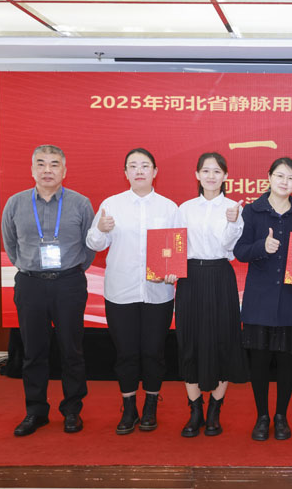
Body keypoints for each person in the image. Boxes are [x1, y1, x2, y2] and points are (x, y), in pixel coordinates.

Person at [1, 144, 95, 436]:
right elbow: (11, 245)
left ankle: (72, 410)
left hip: (68, 283)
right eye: (40, 164)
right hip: (30, 284)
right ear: (32, 170)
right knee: (33, 351)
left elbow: (89, 245)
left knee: (71, 349)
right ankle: (36, 411)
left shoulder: (80, 203)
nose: (47, 170)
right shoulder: (15, 203)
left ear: (64, 170)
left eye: (54, 164)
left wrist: (70, 269)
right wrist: (31, 268)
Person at [86, 148, 178, 435]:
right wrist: (101, 229)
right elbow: (94, 244)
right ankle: (128, 408)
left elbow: (177, 248)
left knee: (153, 352)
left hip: (158, 293)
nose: (139, 170)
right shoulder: (111, 205)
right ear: (125, 172)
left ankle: (150, 405)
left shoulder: (169, 208)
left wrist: (174, 268)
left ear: (155, 172)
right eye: (133, 166)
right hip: (121, 292)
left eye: (145, 165)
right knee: (125, 353)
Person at [233, 157, 292, 441]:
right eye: (280, 176)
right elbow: (240, 251)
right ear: (269, 177)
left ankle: (281, 416)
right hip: (260, 298)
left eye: (291, 178)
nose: (285, 182)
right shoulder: (252, 211)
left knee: (287, 362)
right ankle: (262, 416)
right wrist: (262, 246)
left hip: (291, 299)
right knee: (259, 362)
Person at [174, 152, 249, 437]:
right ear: (197, 175)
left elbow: (231, 248)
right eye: (205, 171)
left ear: (226, 176)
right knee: (190, 340)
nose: (211, 176)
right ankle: (195, 410)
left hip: (220, 276)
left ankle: (215, 410)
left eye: (217, 171)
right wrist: (168, 269)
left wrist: (233, 222)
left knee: (224, 339)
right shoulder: (184, 209)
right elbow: (175, 246)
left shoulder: (233, 208)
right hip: (190, 277)